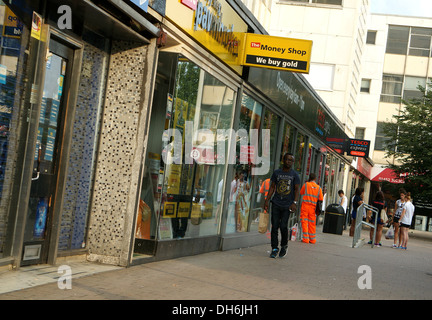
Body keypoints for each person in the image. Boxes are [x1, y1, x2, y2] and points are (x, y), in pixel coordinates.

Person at [264, 153, 300, 258]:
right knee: (274, 226)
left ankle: (284, 245)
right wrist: (267, 200)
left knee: (283, 226)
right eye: (287, 159)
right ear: (283, 160)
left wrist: (295, 202)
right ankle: (274, 248)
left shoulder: (294, 175)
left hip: (287, 205)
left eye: (291, 160)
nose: (289, 162)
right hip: (276, 203)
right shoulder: (277, 173)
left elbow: (297, 189)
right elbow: (272, 187)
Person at [299, 173, 323, 244]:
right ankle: (312, 240)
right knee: (312, 223)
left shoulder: (306, 185)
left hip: (305, 206)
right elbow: (321, 198)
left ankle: (305, 239)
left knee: (304, 222)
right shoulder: (318, 188)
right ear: (315, 179)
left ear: (309, 178)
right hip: (313, 208)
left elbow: (301, 192)